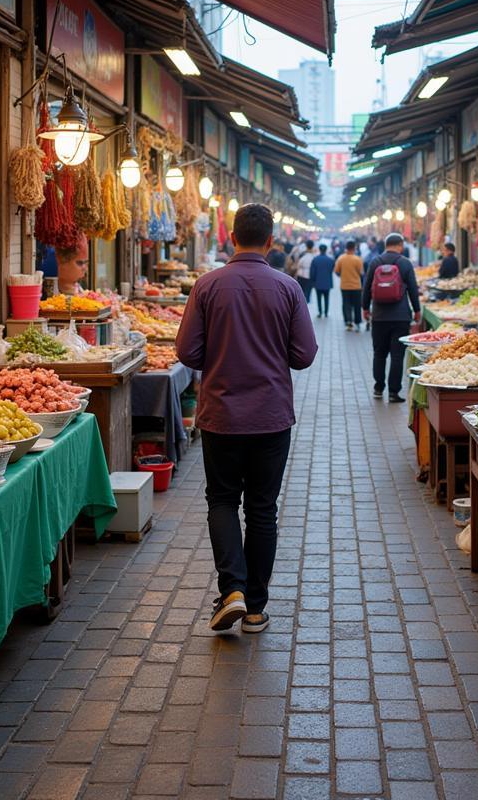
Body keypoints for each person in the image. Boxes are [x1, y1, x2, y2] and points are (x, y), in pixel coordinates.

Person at [176, 204, 318, 633]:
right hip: (271, 417)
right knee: (262, 508)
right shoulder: (289, 288)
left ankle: (231, 589)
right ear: (271, 241)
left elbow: (187, 352)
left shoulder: (207, 285)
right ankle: (254, 608)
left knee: (221, 500)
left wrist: (219, 356)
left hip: (220, 415)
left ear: (231, 238)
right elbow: (304, 355)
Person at [363, 232, 420, 403]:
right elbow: (413, 289)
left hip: (379, 316)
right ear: (400, 245)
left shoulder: (375, 262)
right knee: (397, 356)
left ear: (386, 244)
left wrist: (365, 308)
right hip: (401, 316)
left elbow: (366, 288)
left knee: (379, 354)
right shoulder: (405, 263)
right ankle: (394, 392)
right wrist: (416, 310)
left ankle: (378, 388)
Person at [334, 239, 364, 331]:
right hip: (356, 286)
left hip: (345, 286)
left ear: (346, 248)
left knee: (346, 304)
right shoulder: (358, 259)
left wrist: (343, 275)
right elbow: (361, 273)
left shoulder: (341, 258)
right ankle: (357, 322)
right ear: (354, 248)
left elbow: (336, 271)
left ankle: (348, 322)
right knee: (357, 305)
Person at [309, 242, 335, 317]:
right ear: (326, 250)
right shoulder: (330, 260)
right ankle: (326, 312)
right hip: (327, 282)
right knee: (327, 298)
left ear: (319, 250)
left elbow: (312, 272)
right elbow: (332, 270)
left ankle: (320, 312)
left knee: (318, 298)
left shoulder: (315, 259)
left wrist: (312, 281)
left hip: (318, 282)